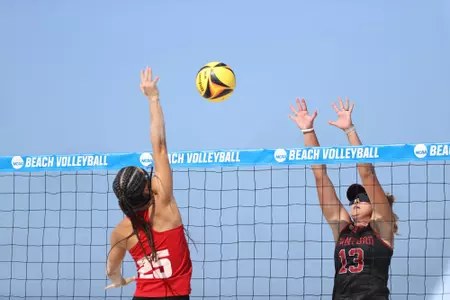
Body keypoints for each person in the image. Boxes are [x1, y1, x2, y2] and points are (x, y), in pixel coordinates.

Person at [289, 97, 398, 300]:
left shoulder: (382, 226)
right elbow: (320, 176)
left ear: (376, 204)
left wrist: (349, 130)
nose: (355, 201)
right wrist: (307, 130)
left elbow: (368, 175)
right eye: (352, 199)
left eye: (362, 197)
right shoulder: (343, 230)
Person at [105, 67, 192, 300]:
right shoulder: (164, 204)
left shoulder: (120, 232)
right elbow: (160, 147)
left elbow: (111, 270)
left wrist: (119, 281)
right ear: (146, 187)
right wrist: (153, 98)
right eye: (146, 177)